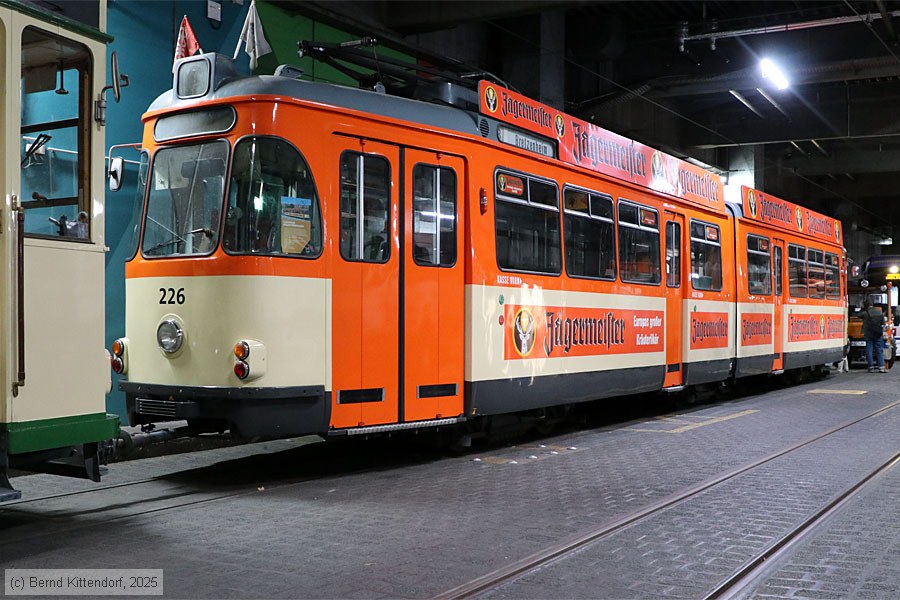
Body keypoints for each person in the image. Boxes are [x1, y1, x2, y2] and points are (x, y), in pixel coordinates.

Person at [861, 299, 886, 373]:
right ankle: (881, 367)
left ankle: (871, 367)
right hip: (877, 333)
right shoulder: (879, 312)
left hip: (868, 333)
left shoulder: (865, 313)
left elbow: (857, 315)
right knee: (879, 349)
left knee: (869, 350)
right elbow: (883, 323)